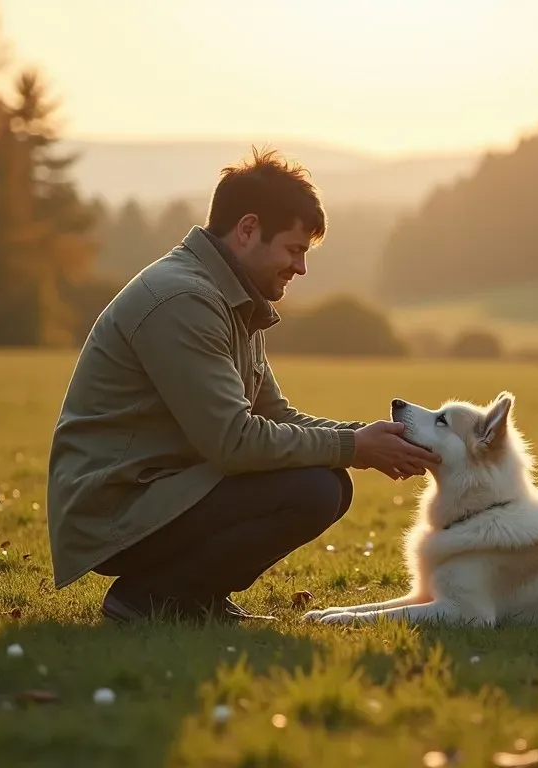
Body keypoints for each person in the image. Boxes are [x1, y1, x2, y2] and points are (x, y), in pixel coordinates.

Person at [45, 147, 439, 624]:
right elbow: (234, 442)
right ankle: (151, 598)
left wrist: (370, 440)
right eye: (294, 250)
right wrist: (352, 447)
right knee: (313, 488)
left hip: (160, 494)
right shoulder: (184, 299)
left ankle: (192, 599)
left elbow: (276, 416)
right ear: (248, 229)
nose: (301, 268)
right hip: (115, 509)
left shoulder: (228, 299)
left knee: (326, 481)